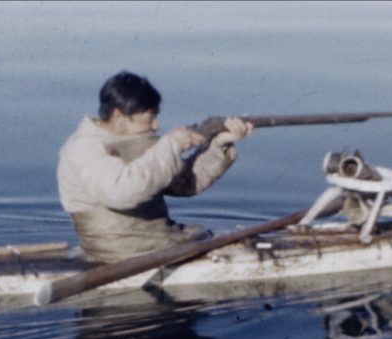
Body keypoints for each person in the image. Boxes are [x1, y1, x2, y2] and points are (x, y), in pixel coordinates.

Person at [57, 70, 254, 263]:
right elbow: (121, 193)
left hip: (155, 243)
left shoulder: (128, 141)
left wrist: (219, 144)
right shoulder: (83, 149)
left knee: (210, 236)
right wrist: (172, 144)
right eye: (150, 117)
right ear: (120, 116)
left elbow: (184, 185)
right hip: (122, 255)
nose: (156, 126)